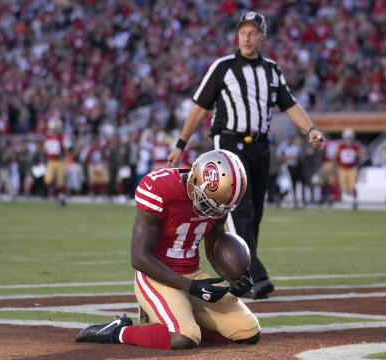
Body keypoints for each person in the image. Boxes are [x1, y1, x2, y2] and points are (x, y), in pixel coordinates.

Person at [166, 11, 324, 299]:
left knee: (256, 215)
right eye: (243, 32)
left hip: (261, 147)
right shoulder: (223, 67)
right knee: (241, 210)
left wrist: (310, 128)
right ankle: (253, 275)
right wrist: (181, 143)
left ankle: (243, 270)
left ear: (263, 37)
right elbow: (199, 107)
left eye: (253, 33)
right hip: (229, 142)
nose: (247, 38)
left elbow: (290, 105)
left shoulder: (272, 71)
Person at [75, 149, 259, 349]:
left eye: (221, 207)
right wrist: (190, 287)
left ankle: (185, 322)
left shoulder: (218, 197)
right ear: (196, 180)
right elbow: (139, 258)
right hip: (156, 276)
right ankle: (117, 331)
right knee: (183, 337)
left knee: (248, 332)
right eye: (210, 204)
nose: (212, 212)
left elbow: (215, 241)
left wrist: (235, 279)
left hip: (192, 275)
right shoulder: (160, 188)